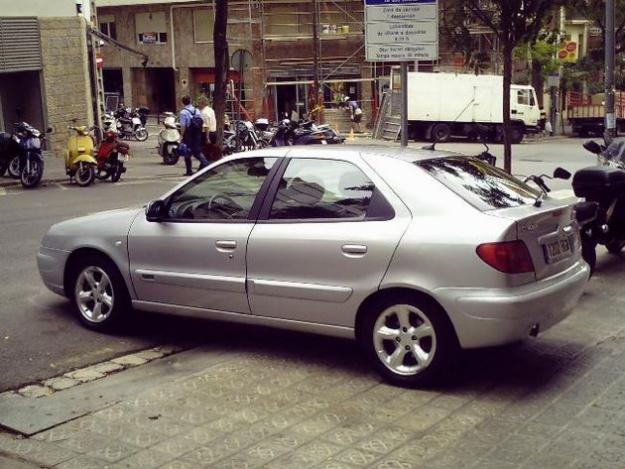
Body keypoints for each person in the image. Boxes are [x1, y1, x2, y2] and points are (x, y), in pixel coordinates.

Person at [179, 95, 209, 176]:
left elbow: (183, 126)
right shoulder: (196, 110)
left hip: (189, 134)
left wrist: (182, 136)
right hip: (197, 133)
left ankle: (189, 170)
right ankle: (204, 162)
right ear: (190, 101)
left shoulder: (183, 112)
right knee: (197, 150)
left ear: (182, 102)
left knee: (187, 151)